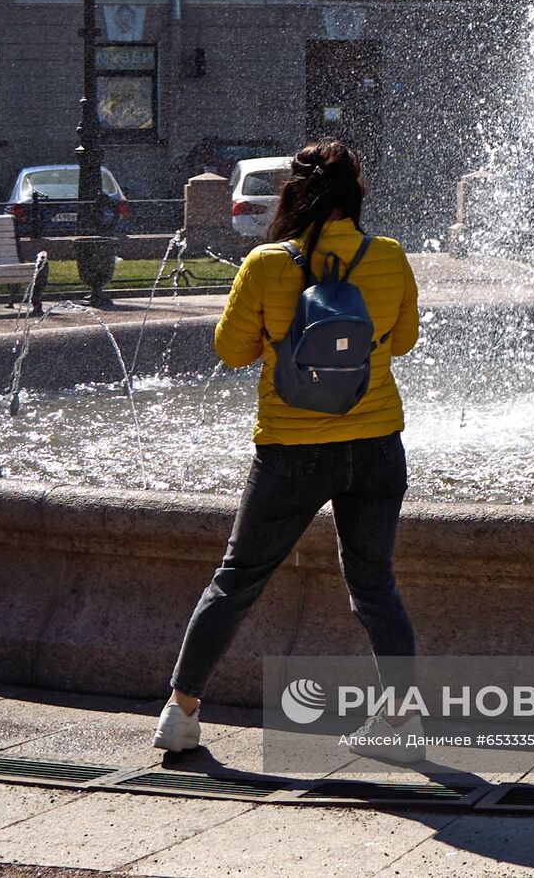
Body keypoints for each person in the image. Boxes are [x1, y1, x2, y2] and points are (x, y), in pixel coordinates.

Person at [153, 139, 424, 762]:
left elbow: (230, 350)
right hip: (377, 443)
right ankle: (403, 722)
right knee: (375, 585)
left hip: (290, 448)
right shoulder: (388, 256)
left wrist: (287, 339)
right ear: (356, 192)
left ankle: (181, 713)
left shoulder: (267, 264)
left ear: (293, 195)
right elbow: (402, 342)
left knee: (238, 578)